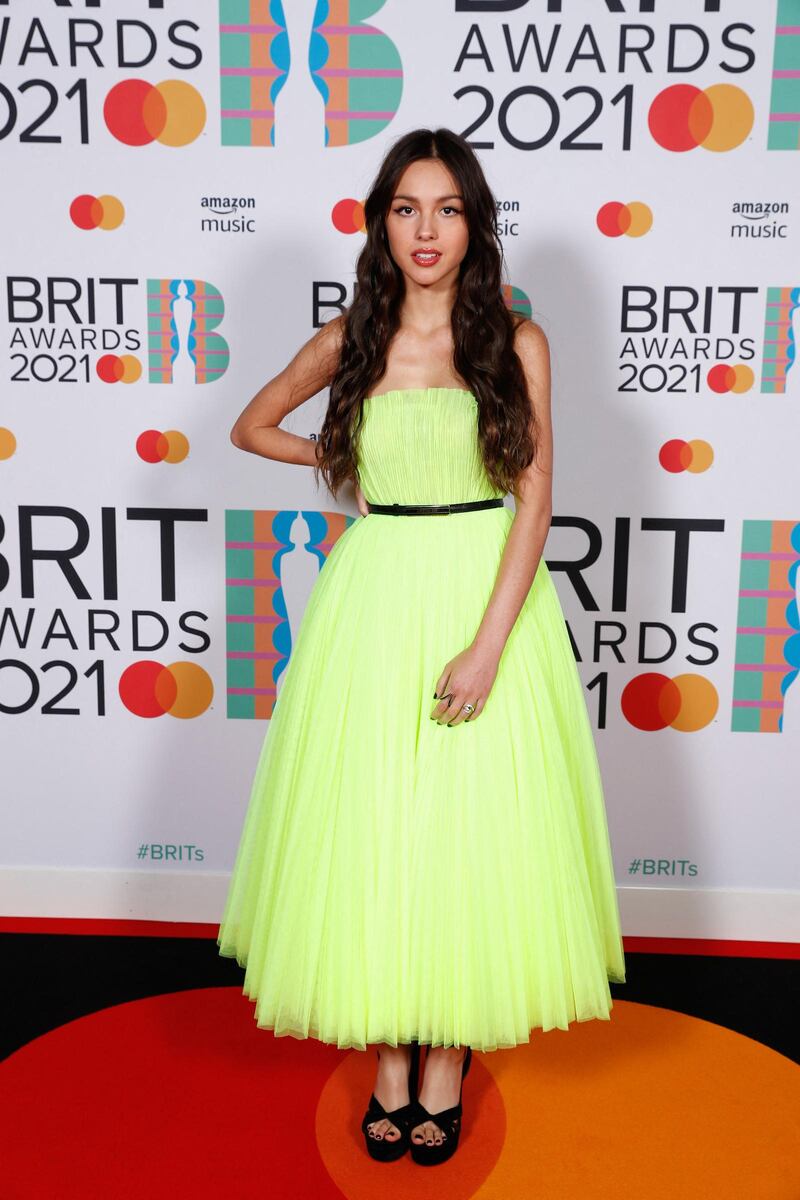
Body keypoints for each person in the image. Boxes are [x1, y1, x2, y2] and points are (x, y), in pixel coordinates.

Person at [216, 126, 626, 1167]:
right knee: (374, 827)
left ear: (473, 223)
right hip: (372, 591)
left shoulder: (514, 341)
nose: (425, 229)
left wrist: (488, 647)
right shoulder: (352, 333)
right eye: (406, 208)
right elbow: (250, 423)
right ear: (380, 222)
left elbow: (533, 502)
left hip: (485, 594)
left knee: (463, 835)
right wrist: (341, 458)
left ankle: (442, 1063)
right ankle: (386, 1062)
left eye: (445, 208)